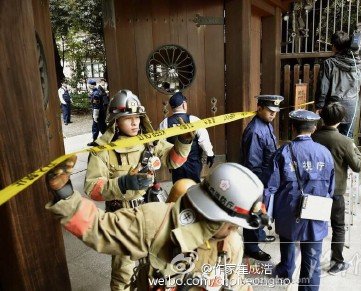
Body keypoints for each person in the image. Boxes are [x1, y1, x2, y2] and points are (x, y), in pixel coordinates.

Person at [46, 159, 267, 290]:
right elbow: (100, 228)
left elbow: (235, 280)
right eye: (230, 224)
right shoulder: (155, 221)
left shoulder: (231, 243)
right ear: (212, 215)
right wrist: (65, 193)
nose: (234, 230)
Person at [84, 89, 193, 291]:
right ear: (115, 120)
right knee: (123, 272)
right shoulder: (103, 149)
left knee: (156, 264)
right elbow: (92, 189)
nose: (134, 123)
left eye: (137, 117)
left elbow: (173, 161)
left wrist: (184, 141)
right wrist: (123, 184)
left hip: (149, 210)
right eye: (128, 118)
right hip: (121, 216)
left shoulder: (149, 140)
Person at [266, 110, 335, 289]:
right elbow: (330, 187)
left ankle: (286, 271)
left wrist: (267, 212)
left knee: (288, 239)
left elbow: (271, 186)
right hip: (316, 208)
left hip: (289, 208)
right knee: (312, 257)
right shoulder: (325, 153)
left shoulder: (284, 152)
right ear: (314, 128)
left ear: (292, 127)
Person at [312, 102, 361, 275]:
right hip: (336, 191)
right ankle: (337, 261)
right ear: (341, 120)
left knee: (314, 224)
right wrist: (356, 151)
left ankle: (310, 259)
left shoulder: (313, 136)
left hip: (314, 191)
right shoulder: (345, 141)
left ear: (322, 117)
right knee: (338, 227)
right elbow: (357, 166)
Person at [240, 95, 284, 261]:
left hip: (265, 176)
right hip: (256, 178)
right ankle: (251, 247)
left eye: (275, 111)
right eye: (270, 111)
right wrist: (260, 184)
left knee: (261, 210)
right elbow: (253, 164)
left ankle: (259, 235)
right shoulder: (255, 131)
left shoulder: (265, 125)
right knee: (253, 210)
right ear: (259, 108)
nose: (273, 114)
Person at [314, 31, 361, 137]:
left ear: (334, 46)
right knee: (347, 137)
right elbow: (359, 82)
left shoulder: (329, 63)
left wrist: (319, 105)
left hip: (333, 107)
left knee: (329, 135)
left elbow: (323, 87)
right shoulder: (358, 64)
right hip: (351, 106)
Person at [159, 92, 215, 183]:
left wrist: (168, 160)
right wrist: (210, 154)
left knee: (178, 185)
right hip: (193, 161)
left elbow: (161, 143)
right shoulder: (194, 120)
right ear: (184, 105)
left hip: (176, 161)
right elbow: (203, 140)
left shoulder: (165, 122)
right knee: (193, 185)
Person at [87, 79, 107, 146]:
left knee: (102, 128)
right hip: (98, 112)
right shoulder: (95, 92)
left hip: (98, 113)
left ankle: (108, 139)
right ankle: (94, 141)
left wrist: (95, 115)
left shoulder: (96, 94)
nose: (88, 85)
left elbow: (96, 106)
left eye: (88, 84)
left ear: (90, 85)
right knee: (95, 127)